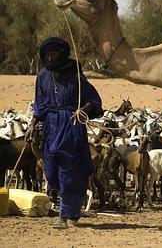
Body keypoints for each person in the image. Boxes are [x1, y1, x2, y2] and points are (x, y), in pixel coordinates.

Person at [29, 37, 103, 229]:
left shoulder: (76, 75)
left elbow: (93, 100)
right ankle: (71, 207)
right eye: (48, 54)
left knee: (68, 171)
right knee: (51, 171)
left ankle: (64, 214)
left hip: (71, 124)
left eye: (54, 53)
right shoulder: (43, 76)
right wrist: (33, 123)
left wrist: (83, 110)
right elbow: (39, 104)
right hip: (51, 127)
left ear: (62, 54)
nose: (51, 57)